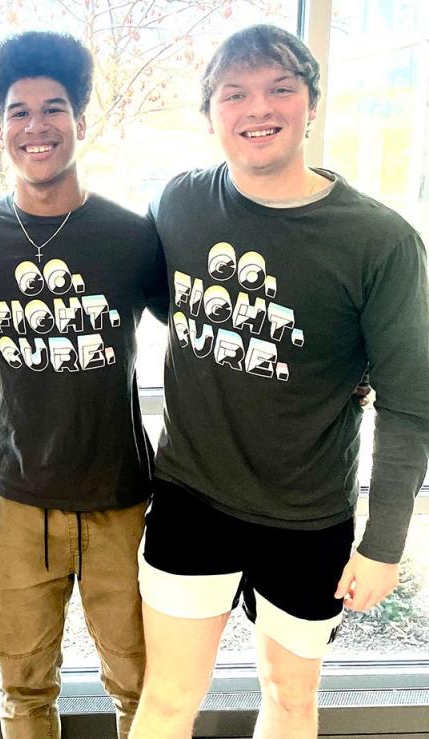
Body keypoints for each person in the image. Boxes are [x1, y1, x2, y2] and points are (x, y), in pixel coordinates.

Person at [132, 25, 429, 739]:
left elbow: (412, 406)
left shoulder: (380, 242)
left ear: (311, 106)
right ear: (211, 113)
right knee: (169, 697)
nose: (256, 108)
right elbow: (155, 295)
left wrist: (386, 540)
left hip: (308, 517)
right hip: (191, 500)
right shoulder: (181, 203)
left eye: (279, 89)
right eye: (235, 93)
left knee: (290, 697)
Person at [0, 32, 163, 738]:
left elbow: (201, 335)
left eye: (54, 108)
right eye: (18, 111)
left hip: (120, 502)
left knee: (142, 685)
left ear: (80, 119)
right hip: (18, 503)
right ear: (1, 126)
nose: (35, 127)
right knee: (22, 689)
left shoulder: (130, 235)